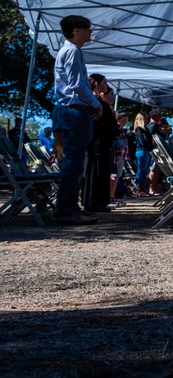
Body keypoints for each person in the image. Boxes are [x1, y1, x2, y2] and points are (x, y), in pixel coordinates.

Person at [51, 15, 102, 225]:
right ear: (76, 30)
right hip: (74, 111)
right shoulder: (71, 51)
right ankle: (66, 211)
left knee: (75, 162)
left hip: (74, 110)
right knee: (73, 163)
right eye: (87, 28)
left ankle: (70, 207)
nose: (91, 31)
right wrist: (95, 103)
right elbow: (76, 85)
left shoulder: (72, 51)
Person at [83, 76, 118, 213]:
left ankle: (94, 202)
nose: (106, 85)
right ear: (97, 84)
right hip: (99, 143)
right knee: (97, 172)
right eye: (104, 82)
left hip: (98, 143)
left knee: (98, 172)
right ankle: (94, 202)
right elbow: (107, 124)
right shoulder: (97, 104)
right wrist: (115, 132)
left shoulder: (95, 103)